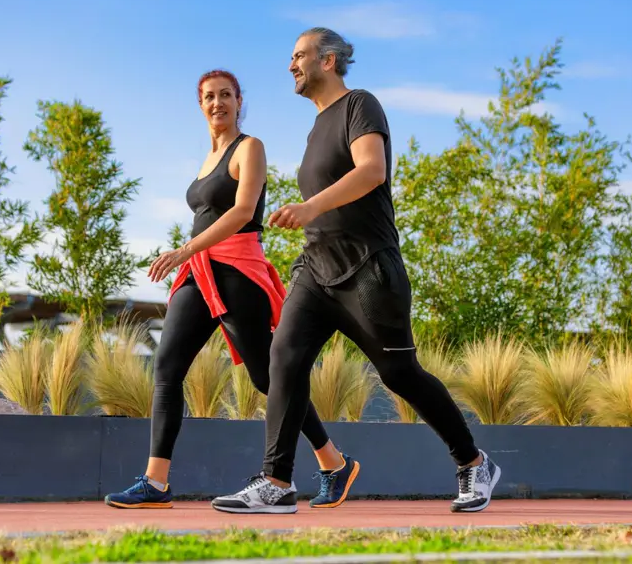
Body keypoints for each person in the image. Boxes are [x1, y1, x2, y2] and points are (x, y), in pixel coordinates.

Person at [211, 28, 501, 515]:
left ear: (327, 60)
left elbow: (371, 170)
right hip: (316, 268)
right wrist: (309, 219)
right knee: (284, 358)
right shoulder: (316, 127)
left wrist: (309, 207)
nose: (290, 65)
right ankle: (276, 481)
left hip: (368, 268)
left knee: (400, 374)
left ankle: (473, 462)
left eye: (299, 56)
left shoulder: (359, 105)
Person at [104, 69, 360, 511]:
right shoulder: (208, 158)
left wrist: (184, 249)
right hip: (199, 273)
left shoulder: (249, 148)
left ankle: (333, 462)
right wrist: (190, 256)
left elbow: (243, 211)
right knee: (167, 366)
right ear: (200, 104)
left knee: (267, 377)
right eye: (209, 96)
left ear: (239, 101)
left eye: (226, 95)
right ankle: (156, 483)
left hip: (238, 270)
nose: (217, 103)